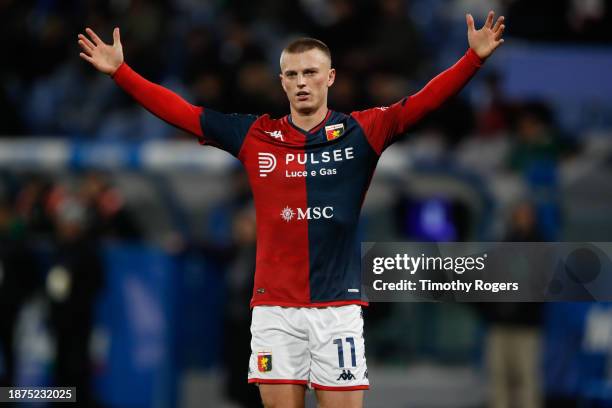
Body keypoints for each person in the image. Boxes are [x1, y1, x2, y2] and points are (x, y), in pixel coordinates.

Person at [78, 11, 505, 408]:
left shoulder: (363, 131)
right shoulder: (255, 135)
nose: (302, 82)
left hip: (337, 309)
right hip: (275, 311)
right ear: (282, 82)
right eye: (293, 74)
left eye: (311, 73)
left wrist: (472, 59)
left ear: (330, 77)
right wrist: (122, 72)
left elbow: (423, 102)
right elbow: (184, 114)